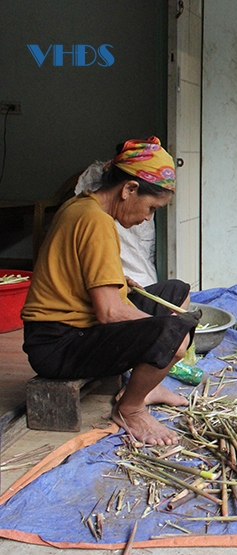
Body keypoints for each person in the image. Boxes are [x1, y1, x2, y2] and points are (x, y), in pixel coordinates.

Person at [21, 137, 200, 446]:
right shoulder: (96, 222)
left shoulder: (83, 206)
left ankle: (147, 386)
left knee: (175, 291)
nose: (147, 217)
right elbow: (109, 312)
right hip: (58, 343)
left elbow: (78, 273)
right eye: (150, 208)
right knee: (175, 335)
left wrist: (120, 281)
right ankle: (130, 409)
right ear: (129, 190)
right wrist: (163, 334)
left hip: (65, 331)